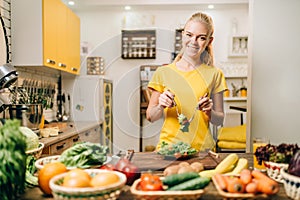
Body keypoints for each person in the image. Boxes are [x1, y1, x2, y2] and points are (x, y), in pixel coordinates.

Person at [146, 12, 227, 151]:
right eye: (189, 35)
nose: (193, 42)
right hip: (169, 150)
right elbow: (150, 117)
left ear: (209, 41)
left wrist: (209, 111)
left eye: (201, 38)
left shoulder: (215, 74)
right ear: (183, 35)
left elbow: (219, 120)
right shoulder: (163, 72)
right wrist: (160, 105)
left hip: (203, 150)